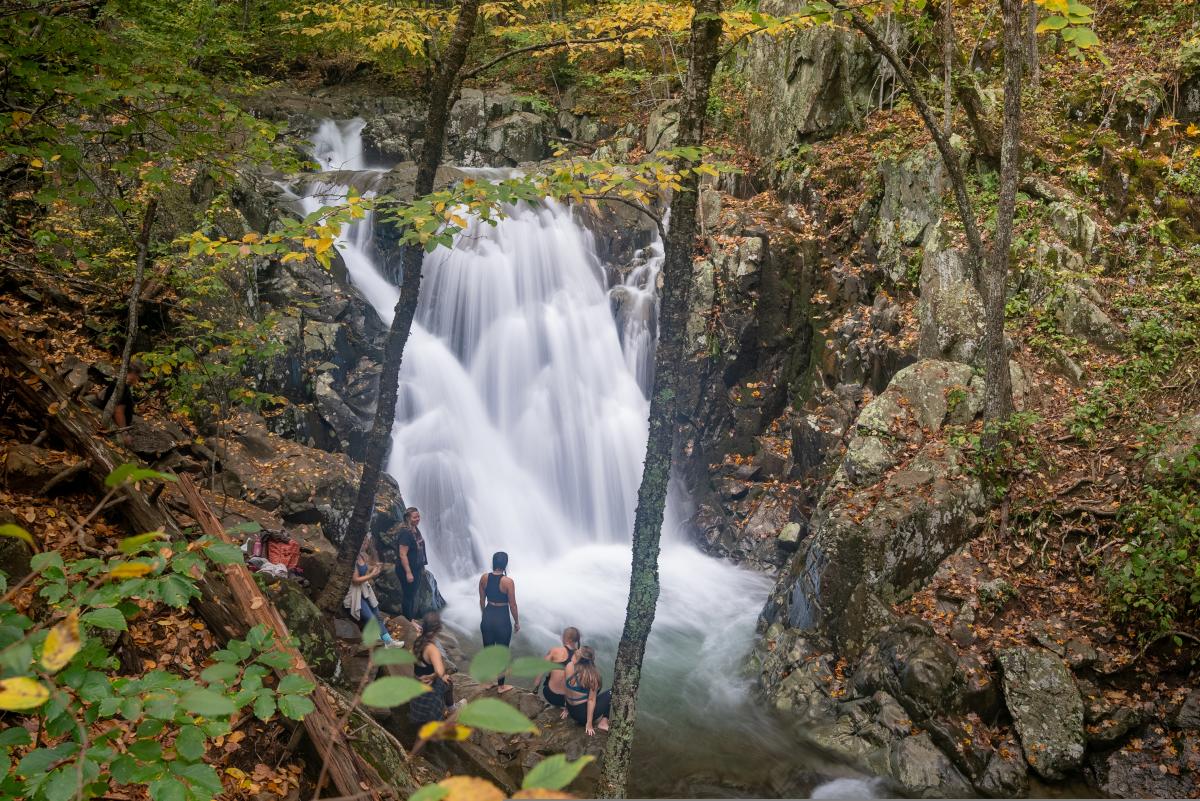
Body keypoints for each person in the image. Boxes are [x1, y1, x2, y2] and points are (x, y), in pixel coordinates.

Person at [343, 540, 402, 647]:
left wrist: (374, 568)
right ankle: (378, 643)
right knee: (370, 618)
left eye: (366, 540)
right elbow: (355, 579)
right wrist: (371, 575)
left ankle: (388, 641)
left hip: (364, 590)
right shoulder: (352, 557)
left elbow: (365, 569)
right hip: (355, 593)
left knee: (378, 616)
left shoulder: (361, 555)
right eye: (364, 540)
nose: (366, 542)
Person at [477, 551, 519, 693]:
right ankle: (501, 686)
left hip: (488, 615)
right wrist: (517, 622)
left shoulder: (484, 578)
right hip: (502, 619)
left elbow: (482, 600)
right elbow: (513, 605)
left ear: (494, 562)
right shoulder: (508, 582)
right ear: (505, 564)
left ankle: (488, 682)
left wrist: (484, 615)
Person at [408, 612, 455, 725]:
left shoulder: (418, 640)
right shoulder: (432, 649)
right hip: (429, 687)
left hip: (417, 681)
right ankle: (452, 709)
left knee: (444, 678)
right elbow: (439, 671)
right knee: (449, 682)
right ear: (438, 629)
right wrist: (433, 676)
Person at [562, 646, 610, 736]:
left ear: (579, 659)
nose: (573, 654)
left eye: (575, 654)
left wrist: (566, 708)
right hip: (582, 717)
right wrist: (589, 724)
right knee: (614, 691)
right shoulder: (592, 677)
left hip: (572, 712)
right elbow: (591, 700)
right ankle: (603, 722)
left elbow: (565, 688)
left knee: (589, 691)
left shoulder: (569, 666)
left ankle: (570, 709)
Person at [394, 507, 427, 621]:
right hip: (406, 570)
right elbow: (402, 554)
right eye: (415, 517)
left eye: (418, 516)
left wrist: (421, 567)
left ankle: (410, 619)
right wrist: (408, 573)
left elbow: (419, 550)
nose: (418, 519)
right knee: (408, 595)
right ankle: (408, 620)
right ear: (408, 518)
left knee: (412, 594)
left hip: (416, 568)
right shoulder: (405, 533)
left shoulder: (415, 530)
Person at [537, 626, 580, 708]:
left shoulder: (554, 651)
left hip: (551, 695)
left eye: (563, 636)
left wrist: (534, 691)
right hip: (569, 700)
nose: (561, 638)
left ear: (569, 639)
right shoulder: (581, 656)